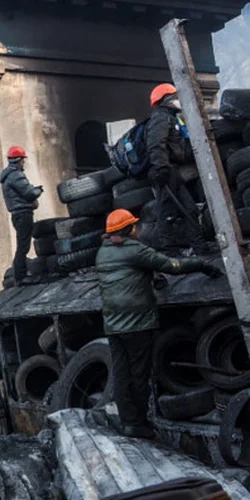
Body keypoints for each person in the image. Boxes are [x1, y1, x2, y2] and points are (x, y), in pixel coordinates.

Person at [96, 209, 222, 438]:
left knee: (122, 374)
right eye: (134, 226)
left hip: (113, 325)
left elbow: (132, 273)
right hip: (137, 324)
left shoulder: (103, 253)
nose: (137, 229)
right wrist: (203, 265)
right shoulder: (134, 249)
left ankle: (128, 422)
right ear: (128, 230)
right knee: (139, 374)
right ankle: (140, 423)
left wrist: (153, 277)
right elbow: (171, 265)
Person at [146, 83, 203, 251]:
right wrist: (161, 168)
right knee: (167, 211)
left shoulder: (171, 118)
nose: (179, 100)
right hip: (165, 170)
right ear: (166, 100)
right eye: (175, 97)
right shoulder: (160, 119)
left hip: (172, 170)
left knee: (189, 210)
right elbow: (156, 145)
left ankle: (199, 247)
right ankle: (168, 250)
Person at [0, 146, 44, 284]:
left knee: (22, 244)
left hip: (18, 214)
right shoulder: (16, 175)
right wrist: (38, 191)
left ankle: (20, 274)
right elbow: (29, 193)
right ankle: (21, 276)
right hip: (23, 213)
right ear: (18, 160)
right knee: (23, 246)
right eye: (23, 160)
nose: (23, 163)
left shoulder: (8, 175)